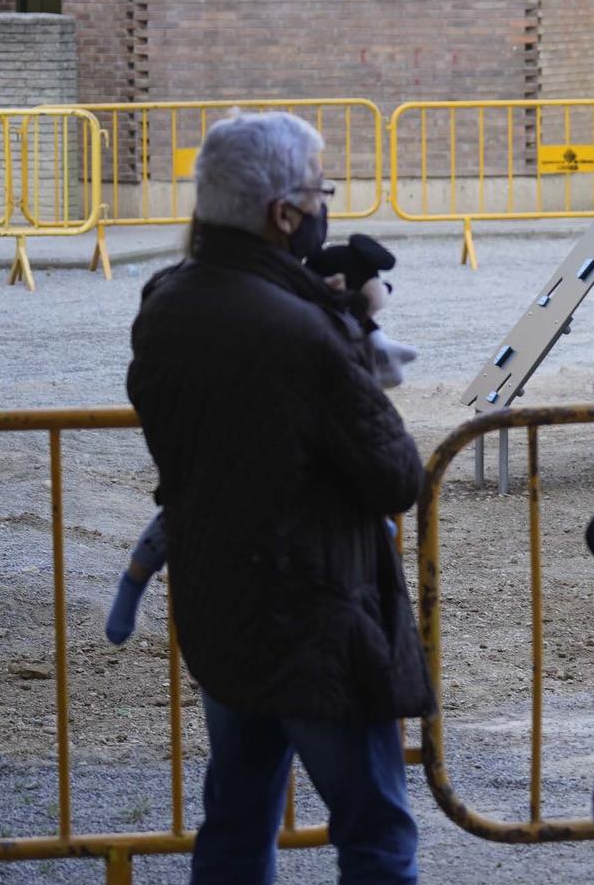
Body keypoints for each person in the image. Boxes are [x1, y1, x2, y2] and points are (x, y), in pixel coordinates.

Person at [126, 112, 431, 885]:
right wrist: (351, 327)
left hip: (221, 609)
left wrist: (323, 308)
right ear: (283, 215)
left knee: (235, 830)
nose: (327, 207)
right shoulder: (302, 333)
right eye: (319, 194)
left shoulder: (168, 301)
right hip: (318, 622)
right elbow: (393, 475)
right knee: (376, 835)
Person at [106, 232, 417, 646]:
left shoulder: (179, 297)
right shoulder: (305, 324)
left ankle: (133, 585)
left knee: (181, 520)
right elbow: (393, 471)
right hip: (285, 549)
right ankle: (132, 584)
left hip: (226, 601)